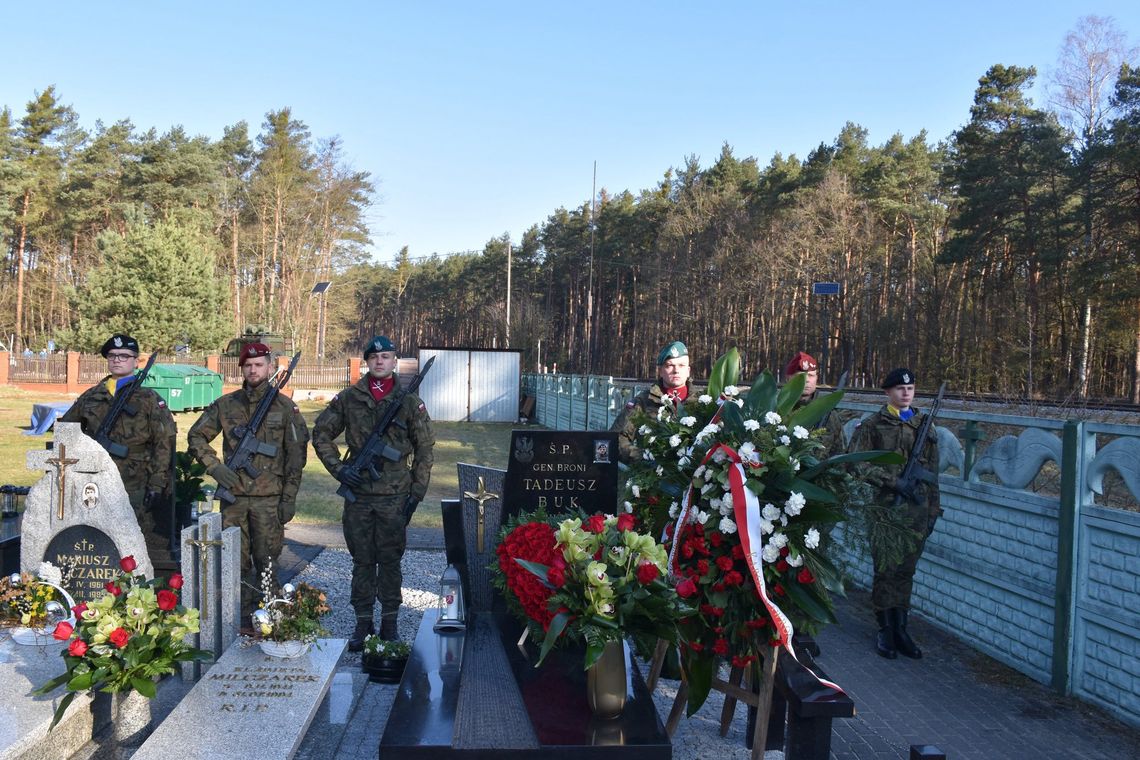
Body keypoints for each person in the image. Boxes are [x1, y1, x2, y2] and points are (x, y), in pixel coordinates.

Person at [312, 336, 434, 649]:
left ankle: (390, 624)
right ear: (367, 361)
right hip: (360, 496)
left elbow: (425, 449)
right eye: (374, 357)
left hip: (395, 497)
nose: (380, 361)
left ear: (394, 361)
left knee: (391, 562)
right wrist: (340, 470)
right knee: (363, 562)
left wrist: (416, 492)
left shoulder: (410, 402)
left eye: (386, 356)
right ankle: (363, 623)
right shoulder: (349, 398)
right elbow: (321, 433)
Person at [187, 343, 309, 614]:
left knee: (267, 564)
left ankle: (270, 619)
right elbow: (196, 436)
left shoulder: (285, 407)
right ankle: (237, 618)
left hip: (269, 500)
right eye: (248, 365)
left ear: (270, 367)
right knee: (234, 563)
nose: (253, 369)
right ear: (242, 368)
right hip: (234, 498)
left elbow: (296, 457)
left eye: (259, 364)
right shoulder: (226, 405)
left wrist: (289, 498)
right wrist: (214, 467)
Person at [850, 367, 941, 660]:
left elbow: (933, 474)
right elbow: (855, 464)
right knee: (886, 570)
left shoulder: (924, 426)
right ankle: (885, 628)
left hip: (917, 509)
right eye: (900, 389)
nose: (906, 393)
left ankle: (901, 628)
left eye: (910, 388)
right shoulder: (873, 425)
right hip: (886, 508)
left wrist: (933, 511)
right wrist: (891, 481)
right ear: (888, 391)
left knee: (905, 571)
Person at [60, 334, 175, 550]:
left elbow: (163, 443)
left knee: (130, 542)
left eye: (124, 356)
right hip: (93, 478)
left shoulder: (149, 399)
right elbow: (66, 432)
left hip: (134, 480)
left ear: (136, 361)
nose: (117, 360)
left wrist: (157, 483)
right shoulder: (91, 396)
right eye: (112, 355)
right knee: (93, 537)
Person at [612, 341, 693, 464]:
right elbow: (616, 438)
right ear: (660, 371)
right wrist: (644, 458)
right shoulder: (643, 402)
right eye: (670, 365)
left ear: (688, 371)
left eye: (681, 365)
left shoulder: (702, 401)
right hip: (653, 472)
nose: (676, 370)